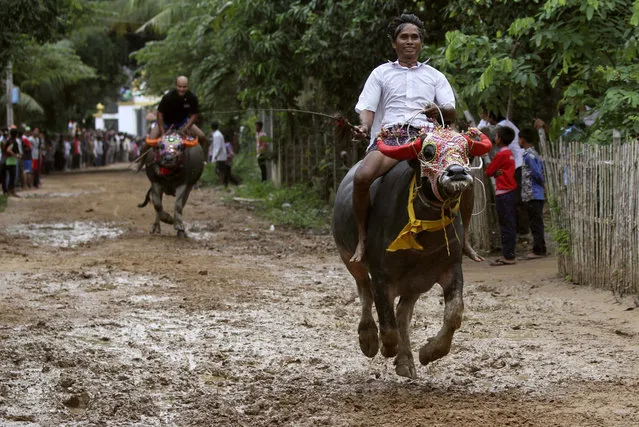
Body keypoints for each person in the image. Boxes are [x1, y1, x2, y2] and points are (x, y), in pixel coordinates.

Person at [349, 13, 457, 263]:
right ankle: (362, 236)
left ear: (421, 42)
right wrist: (364, 127)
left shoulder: (435, 76)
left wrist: (438, 111)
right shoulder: (381, 74)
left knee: (462, 175)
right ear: (394, 42)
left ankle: (465, 239)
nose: (409, 42)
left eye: (415, 37)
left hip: (428, 139)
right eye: (404, 37)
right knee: (362, 176)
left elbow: (450, 111)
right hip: (392, 136)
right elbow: (367, 108)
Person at [145, 76, 207, 160]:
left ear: (188, 86)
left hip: (183, 122)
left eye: (184, 87)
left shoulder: (192, 97)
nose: (181, 89)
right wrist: (163, 133)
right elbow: (159, 114)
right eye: (179, 86)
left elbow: (194, 114)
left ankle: (201, 160)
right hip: (166, 123)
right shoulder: (168, 97)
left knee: (202, 136)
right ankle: (140, 162)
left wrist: (186, 127)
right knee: (150, 140)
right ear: (176, 86)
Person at [485, 126, 518, 265]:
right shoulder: (509, 153)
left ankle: (508, 256)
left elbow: (488, 171)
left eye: (496, 136)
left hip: (503, 193)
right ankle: (509, 254)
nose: (495, 138)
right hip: (510, 192)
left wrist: (494, 171)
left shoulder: (501, 154)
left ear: (499, 138)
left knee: (506, 224)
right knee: (509, 223)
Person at [518, 128, 547, 259]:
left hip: (533, 193)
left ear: (522, 140)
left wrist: (542, 183)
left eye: (519, 139)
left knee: (536, 223)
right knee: (537, 222)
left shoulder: (528, 155)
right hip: (536, 193)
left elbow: (536, 173)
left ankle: (538, 250)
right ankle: (540, 247)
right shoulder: (534, 153)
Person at [3, 128, 22, 197]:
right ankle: (11, 192)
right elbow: (8, 150)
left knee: (11, 177)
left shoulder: (9, 140)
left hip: (9, 161)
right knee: (12, 177)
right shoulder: (13, 141)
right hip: (11, 161)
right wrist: (16, 155)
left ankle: (10, 191)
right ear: (16, 134)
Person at [209, 121, 229, 186]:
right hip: (221, 155)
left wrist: (215, 156)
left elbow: (218, 147)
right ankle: (222, 183)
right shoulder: (218, 134)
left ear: (212, 128)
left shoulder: (216, 135)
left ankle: (221, 184)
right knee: (221, 170)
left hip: (219, 156)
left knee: (220, 171)